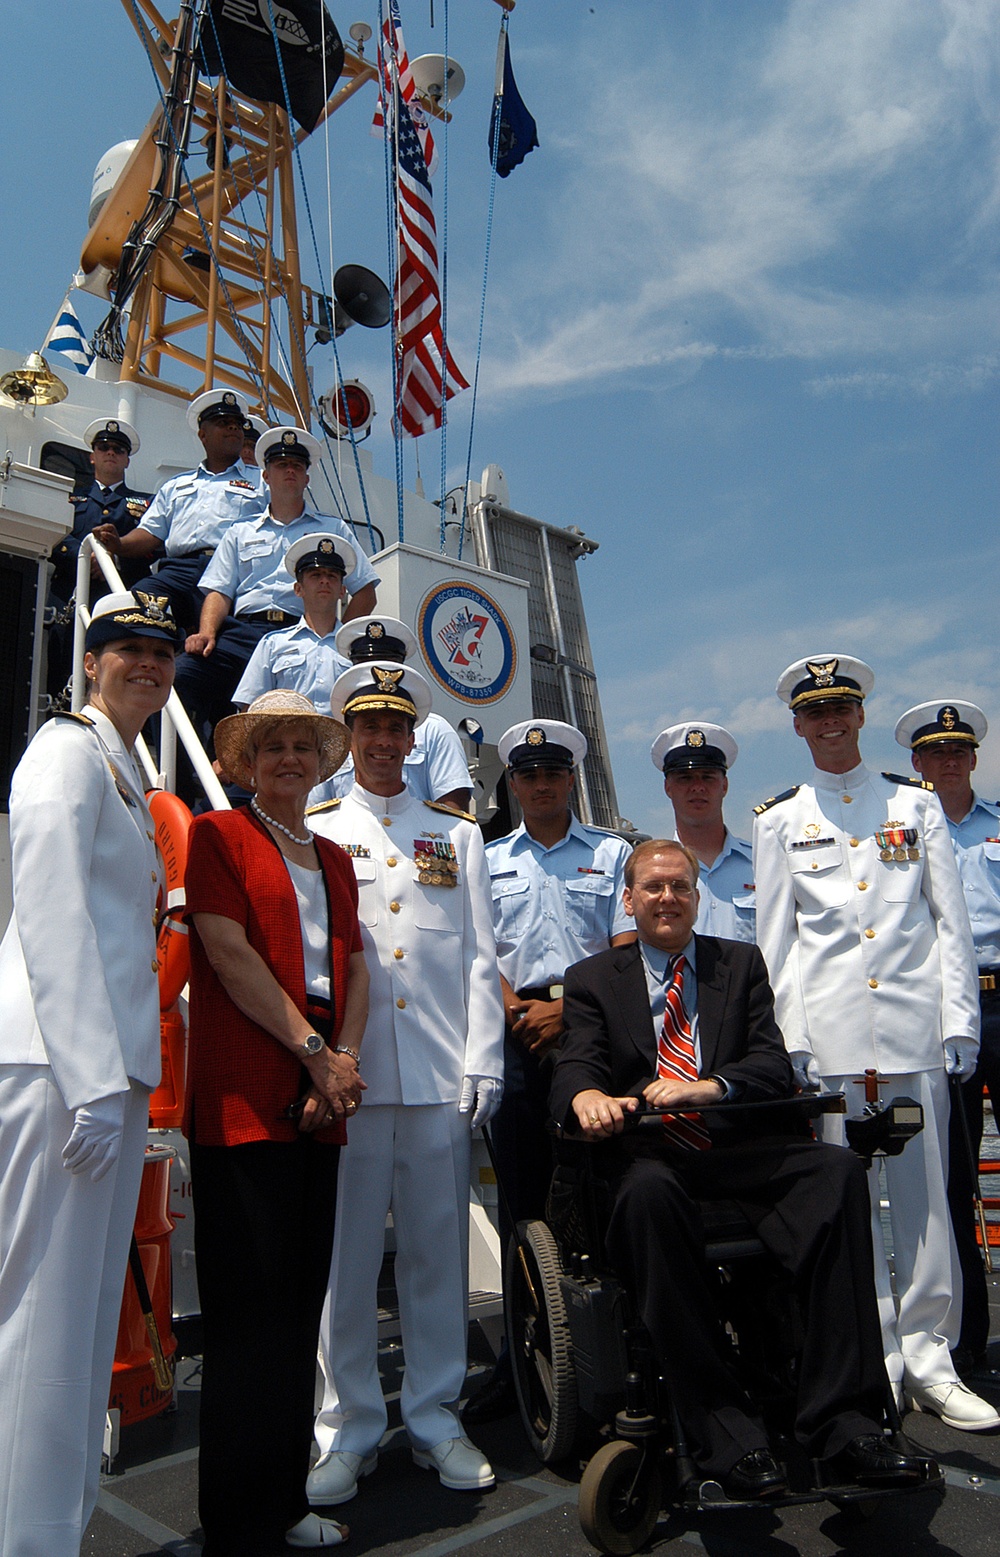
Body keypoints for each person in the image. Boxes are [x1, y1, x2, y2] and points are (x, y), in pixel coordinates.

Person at [550, 839, 931, 1497]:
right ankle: (726, 1432)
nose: (668, 898)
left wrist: (711, 1086)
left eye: (680, 887)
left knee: (837, 1173)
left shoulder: (741, 963)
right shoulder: (591, 979)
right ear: (629, 899)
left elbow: (770, 1063)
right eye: (653, 887)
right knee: (645, 1197)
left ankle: (847, 1424)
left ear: (697, 898)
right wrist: (585, 1094)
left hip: (736, 1147)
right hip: (653, 1155)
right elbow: (578, 1059)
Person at [753, 655, 999, 1432]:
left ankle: (932, 1356)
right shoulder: (779, 820)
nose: (830, 723)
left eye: (841, 709)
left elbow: (949, 922)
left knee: (928, 1203)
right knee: (849, 1203)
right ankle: (875, 1351)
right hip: (830, 1043)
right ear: (798, 725)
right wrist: (791, 1038)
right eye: (816, 713)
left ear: (860, 715)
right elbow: (777, 944)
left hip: (913, 1031)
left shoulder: (914, 805)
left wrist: (958, 1022)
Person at [0, 589, 182, 1555]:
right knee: (41, 1322)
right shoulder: (65, 751)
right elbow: (49, 905)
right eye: (126, 647)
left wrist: (114, 1079)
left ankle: (52, 1531)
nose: (147, 663)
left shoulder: (120, 764)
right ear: (90, 659)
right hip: (61, 1069)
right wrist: (88, 1077)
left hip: (105, 1073)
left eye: (161, 651)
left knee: (74, 1332)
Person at [305, 662, 504, 1506]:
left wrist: (483, 1058)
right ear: (350, 736)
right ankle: (344, 1427)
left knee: (435, 1258)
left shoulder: (455, 834)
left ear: (413, 738)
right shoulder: (316, 826)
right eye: (369, 727)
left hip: (434, 1075)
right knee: (345, 1263)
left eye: (396, 728)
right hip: (349, 1080)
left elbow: (479, 954)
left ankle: (434, 1417)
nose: (383, 741)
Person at [186, 689, 369, 1555]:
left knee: (299, 1305)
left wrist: (343, 1060)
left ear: (320, 762)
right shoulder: (216, 835)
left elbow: (357, 966)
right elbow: (228, 952)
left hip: (321, 1090)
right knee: (246, 1314)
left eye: (303, 745)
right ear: (247, 763)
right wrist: (314, 1052)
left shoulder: (333, 857)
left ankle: (286, 1498)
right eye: (273, 747)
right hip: (247, 1092)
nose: (289, 758)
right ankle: (236, 1521)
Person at [464, 719, 634, 1425]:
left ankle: (621, 1346)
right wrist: (515, 1010)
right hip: (513, 1033)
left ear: (571, 779)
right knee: (523, 1202)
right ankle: (524, 1356)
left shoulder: (612, 854)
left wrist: (568, 1011)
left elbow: (627, 950)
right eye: (528, 775)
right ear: (513, 783)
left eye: (553, 773)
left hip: (593, 1032)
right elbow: (478, 946)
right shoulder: (486, 856)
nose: (541, 784)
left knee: (608, 1190)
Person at [895, 700, 1000, 1375]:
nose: (949, 761)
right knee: (953, 1178)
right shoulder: (899, 834)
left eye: (958, 750)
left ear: (973, 757)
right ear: (918, 762)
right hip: (940, 1010)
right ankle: (967, 1339)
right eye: (936, 752)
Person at [176, 426, 377, 740]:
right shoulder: (240, 531)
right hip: (244, 632)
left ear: (307, 478)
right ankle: (194, 766)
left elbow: (365, 591)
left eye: (297, 466)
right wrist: (207, 633)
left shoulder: (333, 529)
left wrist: (336, 639)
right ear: (266, 476)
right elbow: (219, 590)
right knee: (181, 676)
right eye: (282, 465)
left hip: (302, 632)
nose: (290, 471)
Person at [93, 388, 263, 633]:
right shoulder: (175, 486)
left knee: (224, 639)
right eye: (223, 422)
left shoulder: (263, 482)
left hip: (235, 571)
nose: (233, 428)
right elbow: (150, 533)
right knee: (137, 606)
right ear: (203, 435)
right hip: (180, 571)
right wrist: (118, 543)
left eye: (237, 424)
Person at [306, 615, 472, 812]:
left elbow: (452, 811)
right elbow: (316, 807)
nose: (378, 673)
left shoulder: (435, 730)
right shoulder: (337, 734)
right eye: (365, 664)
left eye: (387, 664)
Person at [47, 417, 151, 701]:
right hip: (70, 594)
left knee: (115, 665)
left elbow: (154, 545)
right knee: (61, 660)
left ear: (127, 460)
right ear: (92, 456)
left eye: (118, 449)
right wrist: (85, 559)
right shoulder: (70, 499)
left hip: (119, 595)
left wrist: (114, 562)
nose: (111, 453)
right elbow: (56, 536)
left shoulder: (147, 504)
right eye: (104, 447)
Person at [652, 722, 755, 941]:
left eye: (708, 777)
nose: (697, 787)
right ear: (667, 787)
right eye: (685, 778)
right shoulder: (652, 872)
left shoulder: (760, 863)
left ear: (724, 786)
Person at [232, 533, 353, 710]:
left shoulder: (354, 647)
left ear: (342, 591)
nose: (324, 581)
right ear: (298, 589)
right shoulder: (273, 644)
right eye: (315, 575)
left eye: (332, 576)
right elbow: (250, 708)